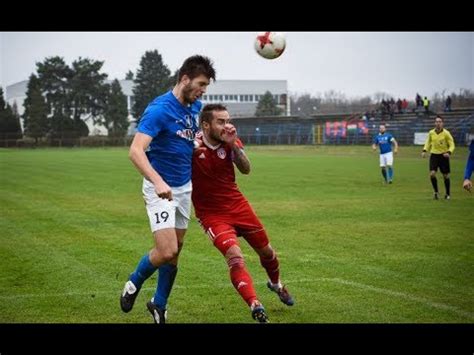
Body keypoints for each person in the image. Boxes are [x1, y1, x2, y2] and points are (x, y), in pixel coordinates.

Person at [120, 55, 216, 323]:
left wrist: (198, 146)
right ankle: (134, 282)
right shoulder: (159, 109)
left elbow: (189, 138)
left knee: (177, 251)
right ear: (184, 79)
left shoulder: (195, 108)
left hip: (184, 189)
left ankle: (159, 304)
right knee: (166, 251)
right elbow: (135, 151)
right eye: (200, 84)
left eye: (206, 86)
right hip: (158, 187)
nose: (203, 90)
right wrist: (158, 181)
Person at [191, 104, 294, 323]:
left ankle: (276, 284)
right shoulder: (192, 145)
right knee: (235, 257)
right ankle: (255, 304)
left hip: (238, 207)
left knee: (267, 252)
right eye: (221, 121)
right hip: (211, 215)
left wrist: (233, 147)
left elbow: (246, 169)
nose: (227, 126)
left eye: (228, 120)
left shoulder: (231, 141)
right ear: (206, 125)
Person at [422, 115, 455, 200]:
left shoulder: (446, 133)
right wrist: (424, 150)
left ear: (442, 123)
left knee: (445, 176)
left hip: (444, 155)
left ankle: (447, 194)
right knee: (432, 174)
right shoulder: (431, 132)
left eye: (440, 122)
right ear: (434, 123)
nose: (438, 123)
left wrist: (449, 152)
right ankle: (436, 192)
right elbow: (428, 142)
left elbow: (452, 144)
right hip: (434, 155)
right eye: (436, 122)